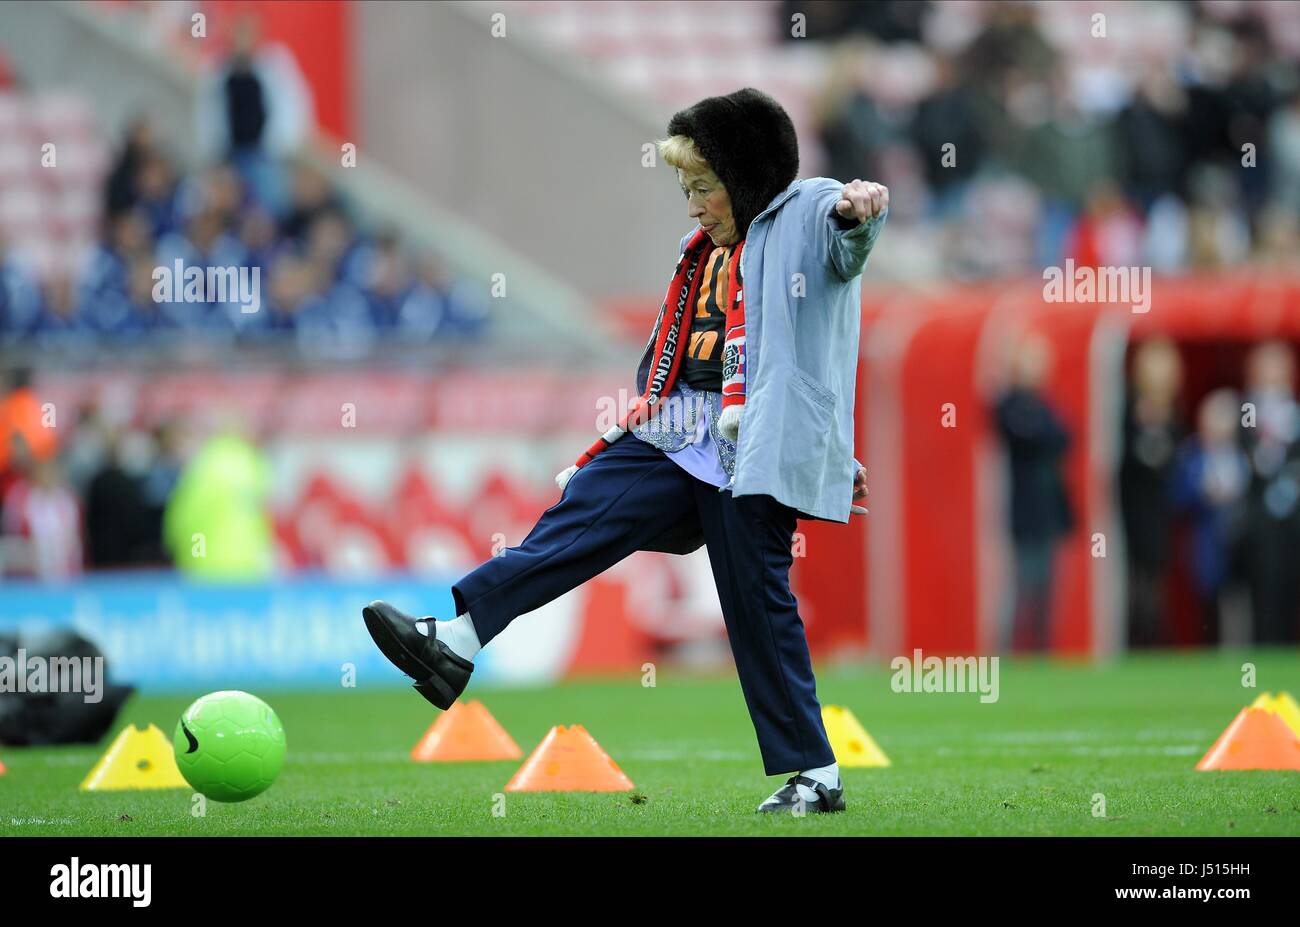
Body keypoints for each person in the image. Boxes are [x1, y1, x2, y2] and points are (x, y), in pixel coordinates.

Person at [362, 88, 886, 814]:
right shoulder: (697, 250)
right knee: (585, 510)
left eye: (704, 186)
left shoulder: (804, 212)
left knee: (757, 604)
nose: (694, 203)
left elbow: (845, 237)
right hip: (677, 428)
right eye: (686, 187)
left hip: (753, 439)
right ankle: (458, 634)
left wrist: (859, 211)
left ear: (748, 175)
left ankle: (816, 774)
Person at [994, 333, 1074, 652]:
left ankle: (1042, 649)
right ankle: (1009, 650)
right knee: (1023, 584)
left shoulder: (1043, 405)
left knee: (1047, 587)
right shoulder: (1009, 404)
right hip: (1024, 512)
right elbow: (1033, 436)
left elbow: (1064, 438)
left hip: (1048, 511)